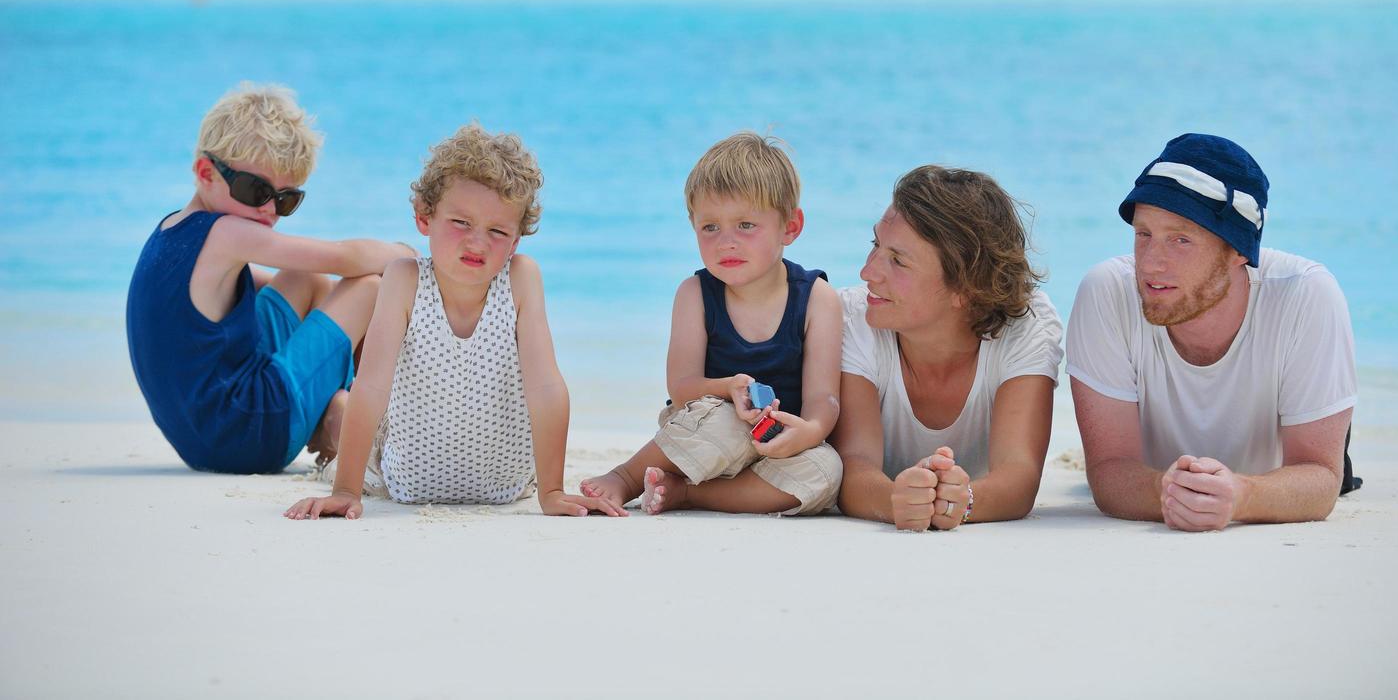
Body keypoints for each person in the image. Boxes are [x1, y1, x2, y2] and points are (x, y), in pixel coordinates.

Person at [285, 124, 625, 519]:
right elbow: (374, 386)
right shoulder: (404, 279)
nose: (477, 242)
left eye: (497, 231)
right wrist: (346, 490)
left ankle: (334, 412)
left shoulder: (521, 280)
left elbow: (546, 386)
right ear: (424, 218)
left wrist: (551, 491)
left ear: (515, 242)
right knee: (351, 417)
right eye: (461, 223)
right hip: (402, 479)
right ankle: (331, 417)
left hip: (506, 485)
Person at [1066, 133, 1359, 532]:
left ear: (1240, 250)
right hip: (1162, 479)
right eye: (1143, 234)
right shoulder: (1107, 291)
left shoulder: (1305, 293)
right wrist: (1165, 491)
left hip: (1271, 474)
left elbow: (1321, 479)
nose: (1151, 264)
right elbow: (1109, 472)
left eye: (1180, 240)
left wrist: (1241, 496)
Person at [126, 83, 407, 475]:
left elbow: (264, 284)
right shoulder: (227, 233)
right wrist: (409, 256)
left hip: (206, 438)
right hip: (251, 432)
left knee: (304, 279)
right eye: (254, 189)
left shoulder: (174, 231)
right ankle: (351, 414)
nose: (269, 210)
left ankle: (331, 407)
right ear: (206, 172)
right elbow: (343, 257)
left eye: (285, 198)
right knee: (368, 287)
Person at [578, 132, 843, 517]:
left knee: (826, 471)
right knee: (724, 424)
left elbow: (825, 398)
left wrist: (812, 430)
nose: (726, 243)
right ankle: (625, 477)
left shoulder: (817, 298)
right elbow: (682, 387)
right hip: (707, 425)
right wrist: (726, 389)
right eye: (710, 228)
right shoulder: (694, 294)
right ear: (693, 226)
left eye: (746, 225)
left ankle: (689, 494)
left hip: (779, 438)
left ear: (790, 226)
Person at [831, 166, 1063, 531]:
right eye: (876, 245)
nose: (867, 272)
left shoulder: (1027, 326)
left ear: (965, 288)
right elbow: (853, 467)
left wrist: (963, 502)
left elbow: (1019, 476)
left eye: (898, 260)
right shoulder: (853, 318)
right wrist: (897, 501)